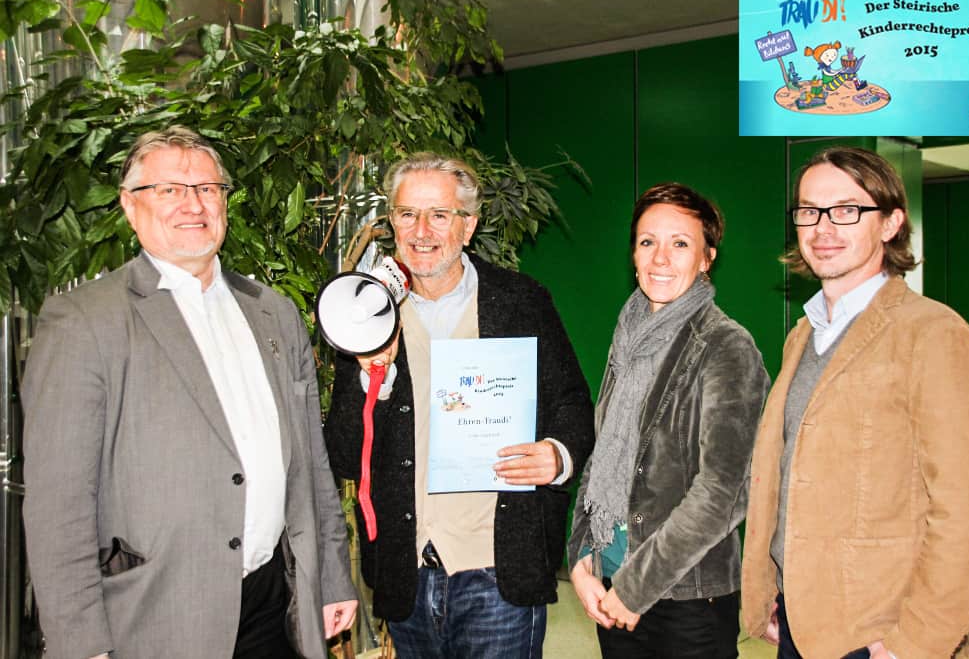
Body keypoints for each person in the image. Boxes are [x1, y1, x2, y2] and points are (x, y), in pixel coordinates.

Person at [21, 126, 358, 659]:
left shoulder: (274, 313)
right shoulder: (83, 321)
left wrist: (333, 575)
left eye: (207, 188)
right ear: (130, 206)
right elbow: (58, 506)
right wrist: (79, 644)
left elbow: (311, 464)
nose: (193, 204)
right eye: (169, 190)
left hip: (273, 605)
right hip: (154, 616)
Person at [323, 152, 594, 658]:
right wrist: (370, 375)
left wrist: (557, 455)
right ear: (392, 223)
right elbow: (343, 453)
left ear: (467, 226)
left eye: (439, 215)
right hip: (407, 573)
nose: (421, 231)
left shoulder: (522, 301)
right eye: (408, 214)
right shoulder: (364, 313)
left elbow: (572, 404)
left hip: (499, 571)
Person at [741, 146, 969, 659]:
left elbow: (968, 513)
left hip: (882, 633)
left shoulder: (933, 334)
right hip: (800, 621)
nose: (823, 227)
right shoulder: (803, 336)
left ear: (890, 223)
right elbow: (789, 478)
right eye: (809, 211)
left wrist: (915, 642)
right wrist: (772, 589)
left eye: (846, 209)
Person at [566, 183, 770, 658]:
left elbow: (723, 491)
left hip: (687, 600)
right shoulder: (629, 337)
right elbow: (603, 452)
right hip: (611, 579)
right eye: (647, 242)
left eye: (680, 243)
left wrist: (636, 587)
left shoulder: (726, 347)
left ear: (706, 258)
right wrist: (581, 557)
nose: (660, 258)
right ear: (633, 254)